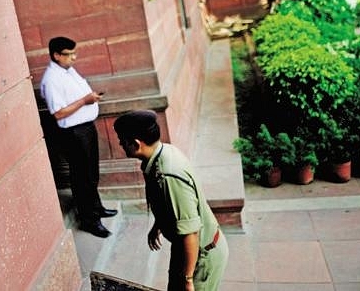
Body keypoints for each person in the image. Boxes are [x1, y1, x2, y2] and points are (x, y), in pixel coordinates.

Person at [113, 110, 228, 290]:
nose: (120, 144)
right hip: (187, 249)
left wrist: (188, 280)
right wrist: (159, 224)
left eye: (122, 141)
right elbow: (170, 204)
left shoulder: (168, 175)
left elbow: (191, 233)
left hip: (201, 255)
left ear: (136, 144)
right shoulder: (162, 152)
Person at [40, 36, 117, 238]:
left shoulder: (67, 70)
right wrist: (85, 100)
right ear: (56, 55)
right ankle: (90, 220)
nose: (73, 57)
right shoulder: (51, 79)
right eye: (68, 54)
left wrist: (90, 98)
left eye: (75, 53)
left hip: (86, 128)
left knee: (91, 173)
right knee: (81, 177)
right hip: (73, 133)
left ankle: (96, 208)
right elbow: (58, 113)